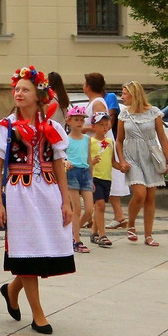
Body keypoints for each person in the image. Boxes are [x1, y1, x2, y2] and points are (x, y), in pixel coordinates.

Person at [0, 66, 74, 335]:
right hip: (19, 194)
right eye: (17, 89)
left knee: (42, 249)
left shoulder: (52, 126)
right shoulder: (5, 127)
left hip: (47, 193)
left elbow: (58, 163)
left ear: (38, 95)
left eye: (25, 89)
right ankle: (38, 314)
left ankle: (11, 290)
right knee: (26, 250)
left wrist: (66, 200)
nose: (19, 93)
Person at [115, 81, 168, 247]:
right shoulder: (124, 115)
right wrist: (122, 160)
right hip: (132, 156)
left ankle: (148, 235)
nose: (122, 96)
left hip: (150, 156)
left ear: (134, 94)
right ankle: (131, 224)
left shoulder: (154, 112)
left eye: (124, 93)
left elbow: (162, 137)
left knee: (150, 196)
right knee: (140, 193)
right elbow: (119, 140)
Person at [84, 72, 127, 230]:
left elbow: (103, 124)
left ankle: (109, 217)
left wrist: (82, 128)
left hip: (100, 146)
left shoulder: (97, 103)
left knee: (101, 179)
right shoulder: (96, 102)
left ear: (88, 86)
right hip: (96, 145)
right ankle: (112, 216)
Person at [62, 105, 99, 254]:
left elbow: (89, 160)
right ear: (69, 121)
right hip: (72, 173)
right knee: (76, 208)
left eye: (81, 120)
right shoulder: (66, 139)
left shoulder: (87, 139)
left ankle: (74, 231)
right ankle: (76, 240)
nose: (79, 122)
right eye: (76, 119)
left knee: (89, 209)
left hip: (84, 173)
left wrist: (91, 178)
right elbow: (60, 157)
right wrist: (65, 162)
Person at [88, 113, 116, 247]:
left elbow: (113, 161)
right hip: (95, 177)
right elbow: (86, 161)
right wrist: (91, 163)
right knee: (100, 205)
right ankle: (102, 235)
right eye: (101, 125)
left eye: (106, 125)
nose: (104, 128)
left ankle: (94, 232)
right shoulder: (90, 142)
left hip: (107, 178)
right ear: (94, 126)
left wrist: (122, 166)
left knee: (99, 206)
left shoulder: (110, 142)